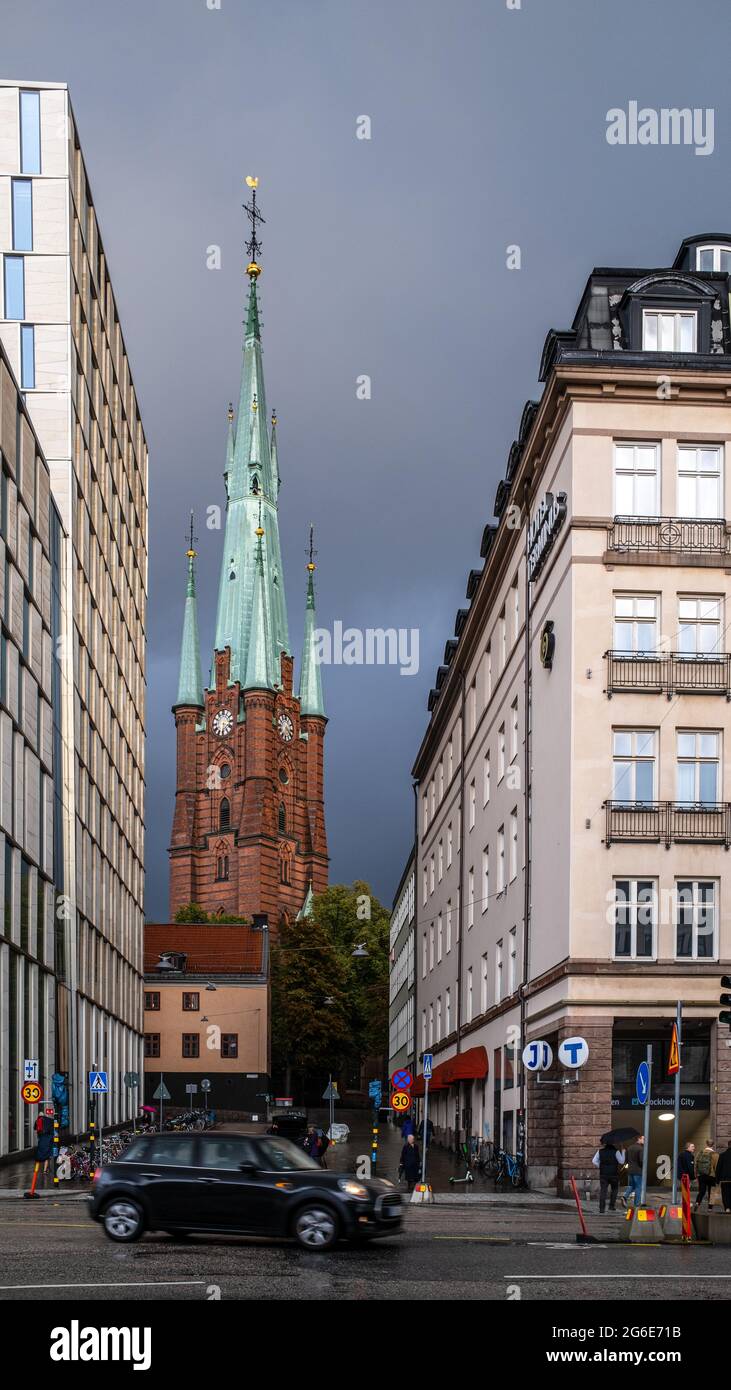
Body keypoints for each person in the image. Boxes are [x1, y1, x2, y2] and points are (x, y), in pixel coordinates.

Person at [592, 1140, 626, 1213]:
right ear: (613, 1144)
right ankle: (611, 1206)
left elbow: (594, 1161)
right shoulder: (616, 1151)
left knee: (603, 1191)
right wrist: (623, 1151)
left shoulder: (600, 1151)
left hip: (603, 1174)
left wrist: (600, 1166)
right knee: (614, 1190)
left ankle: (601, 1209)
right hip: (614, 1174)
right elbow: (621, 1161)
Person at [694, 1140, 718, 1211]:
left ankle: (697, 1203)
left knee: (702, 1191)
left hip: (701, 1175)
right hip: (712, 1176)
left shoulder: (700, 1153)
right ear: (713, 1144)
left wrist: (696, 1175)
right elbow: (717, 1167)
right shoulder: (715, 1154)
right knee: (712, 1192)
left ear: (706, 1144)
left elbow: (696, 1165)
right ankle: (710, 1208)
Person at [621, 1135, 644, 1209]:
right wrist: (644, 1167)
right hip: (638, 1171)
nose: (644, 1140)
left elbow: (626, 1161)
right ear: (639, 1139)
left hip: (630, 1171)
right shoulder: (641, 1149)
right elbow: (641, 1161)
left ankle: (624, 1197)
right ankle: (637, 1204)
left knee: (631, 1186)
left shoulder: (629, 1148)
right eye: (643, 1139)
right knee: (638, 1187)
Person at [714, 1138, 731, 1213]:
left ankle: (727, 1208)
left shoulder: (722, 1155)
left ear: (728, 1145)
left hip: (725, 1179)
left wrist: (717, 1180)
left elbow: (718, 1168)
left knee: (725, 1194)